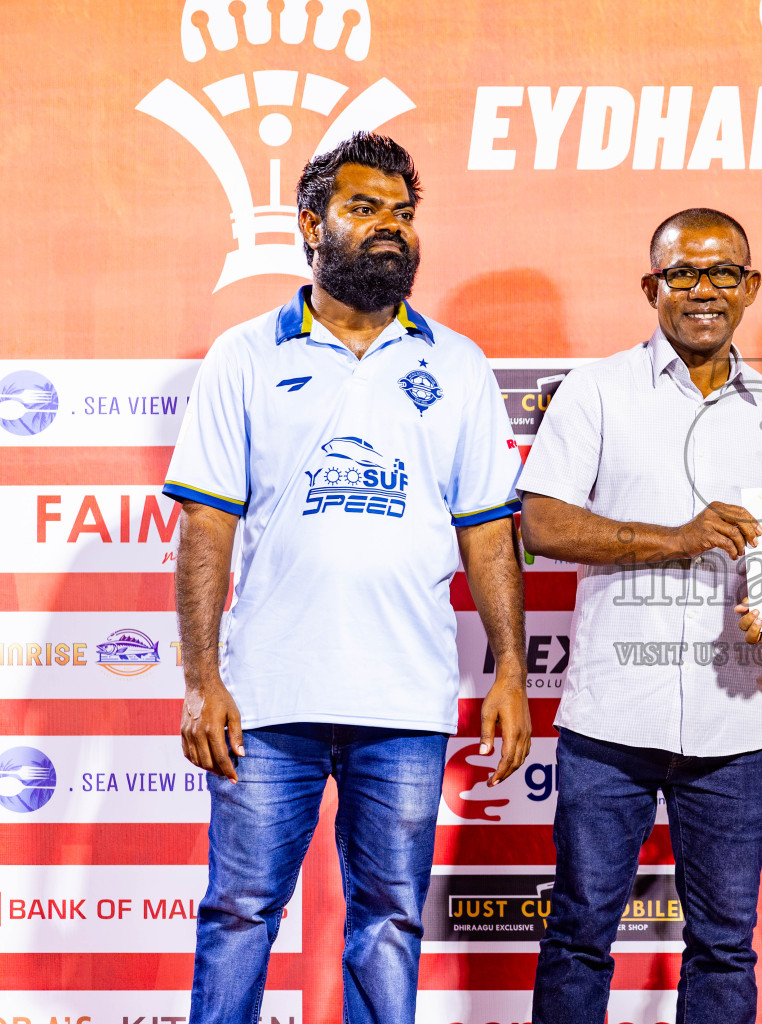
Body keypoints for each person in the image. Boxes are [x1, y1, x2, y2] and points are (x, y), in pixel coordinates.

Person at [167, 132, 531, 1024]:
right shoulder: (245, 355)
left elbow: (489, 534)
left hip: (403, 700)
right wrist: (201, 679)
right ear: (310, 223)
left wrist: (512, 673)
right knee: (241, 912)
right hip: (268, 697)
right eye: (365, 209)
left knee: (389, 921)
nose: (390, 230)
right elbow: (206, 525)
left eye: (403, 215)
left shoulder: (458, 364)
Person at [518, 208, 762, 1023]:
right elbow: (542, 524)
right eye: (683, 274)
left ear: (750, 286)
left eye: (723, 273)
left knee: (726, 944)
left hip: (734, 730)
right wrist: (679, 539)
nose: (704, 290)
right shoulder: (596, 392)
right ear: (651, 287)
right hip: (611, 722)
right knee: (580, 933)